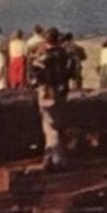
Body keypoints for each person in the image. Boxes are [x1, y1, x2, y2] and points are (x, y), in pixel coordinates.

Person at [31, 27, 72, 171]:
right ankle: (50, 157)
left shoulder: (44, 57)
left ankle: (57, 159)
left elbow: (35, 75)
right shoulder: (64, 54)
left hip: (47, 92)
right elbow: (71, 71)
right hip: (62, 92)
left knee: (50, 126)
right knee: (58, 124)